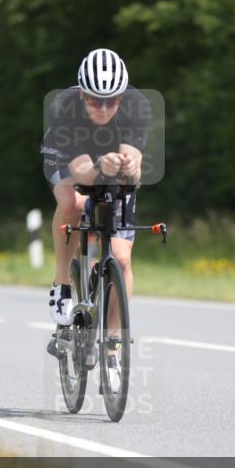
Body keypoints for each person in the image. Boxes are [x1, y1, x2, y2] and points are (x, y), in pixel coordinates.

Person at [40, 48, 150, 377]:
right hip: (68, 157)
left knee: (122, 256)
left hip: (109, 160)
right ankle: (62, 284)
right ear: (82, 94)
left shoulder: (137, 106)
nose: (102, 108)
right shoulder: (63, 107)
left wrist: (129, 167)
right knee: (74, 203)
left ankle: (113, 346)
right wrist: (102, 164)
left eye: (111, 101)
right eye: (93, 100)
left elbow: (136, 171)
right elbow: (83, 172)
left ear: (122, 98)